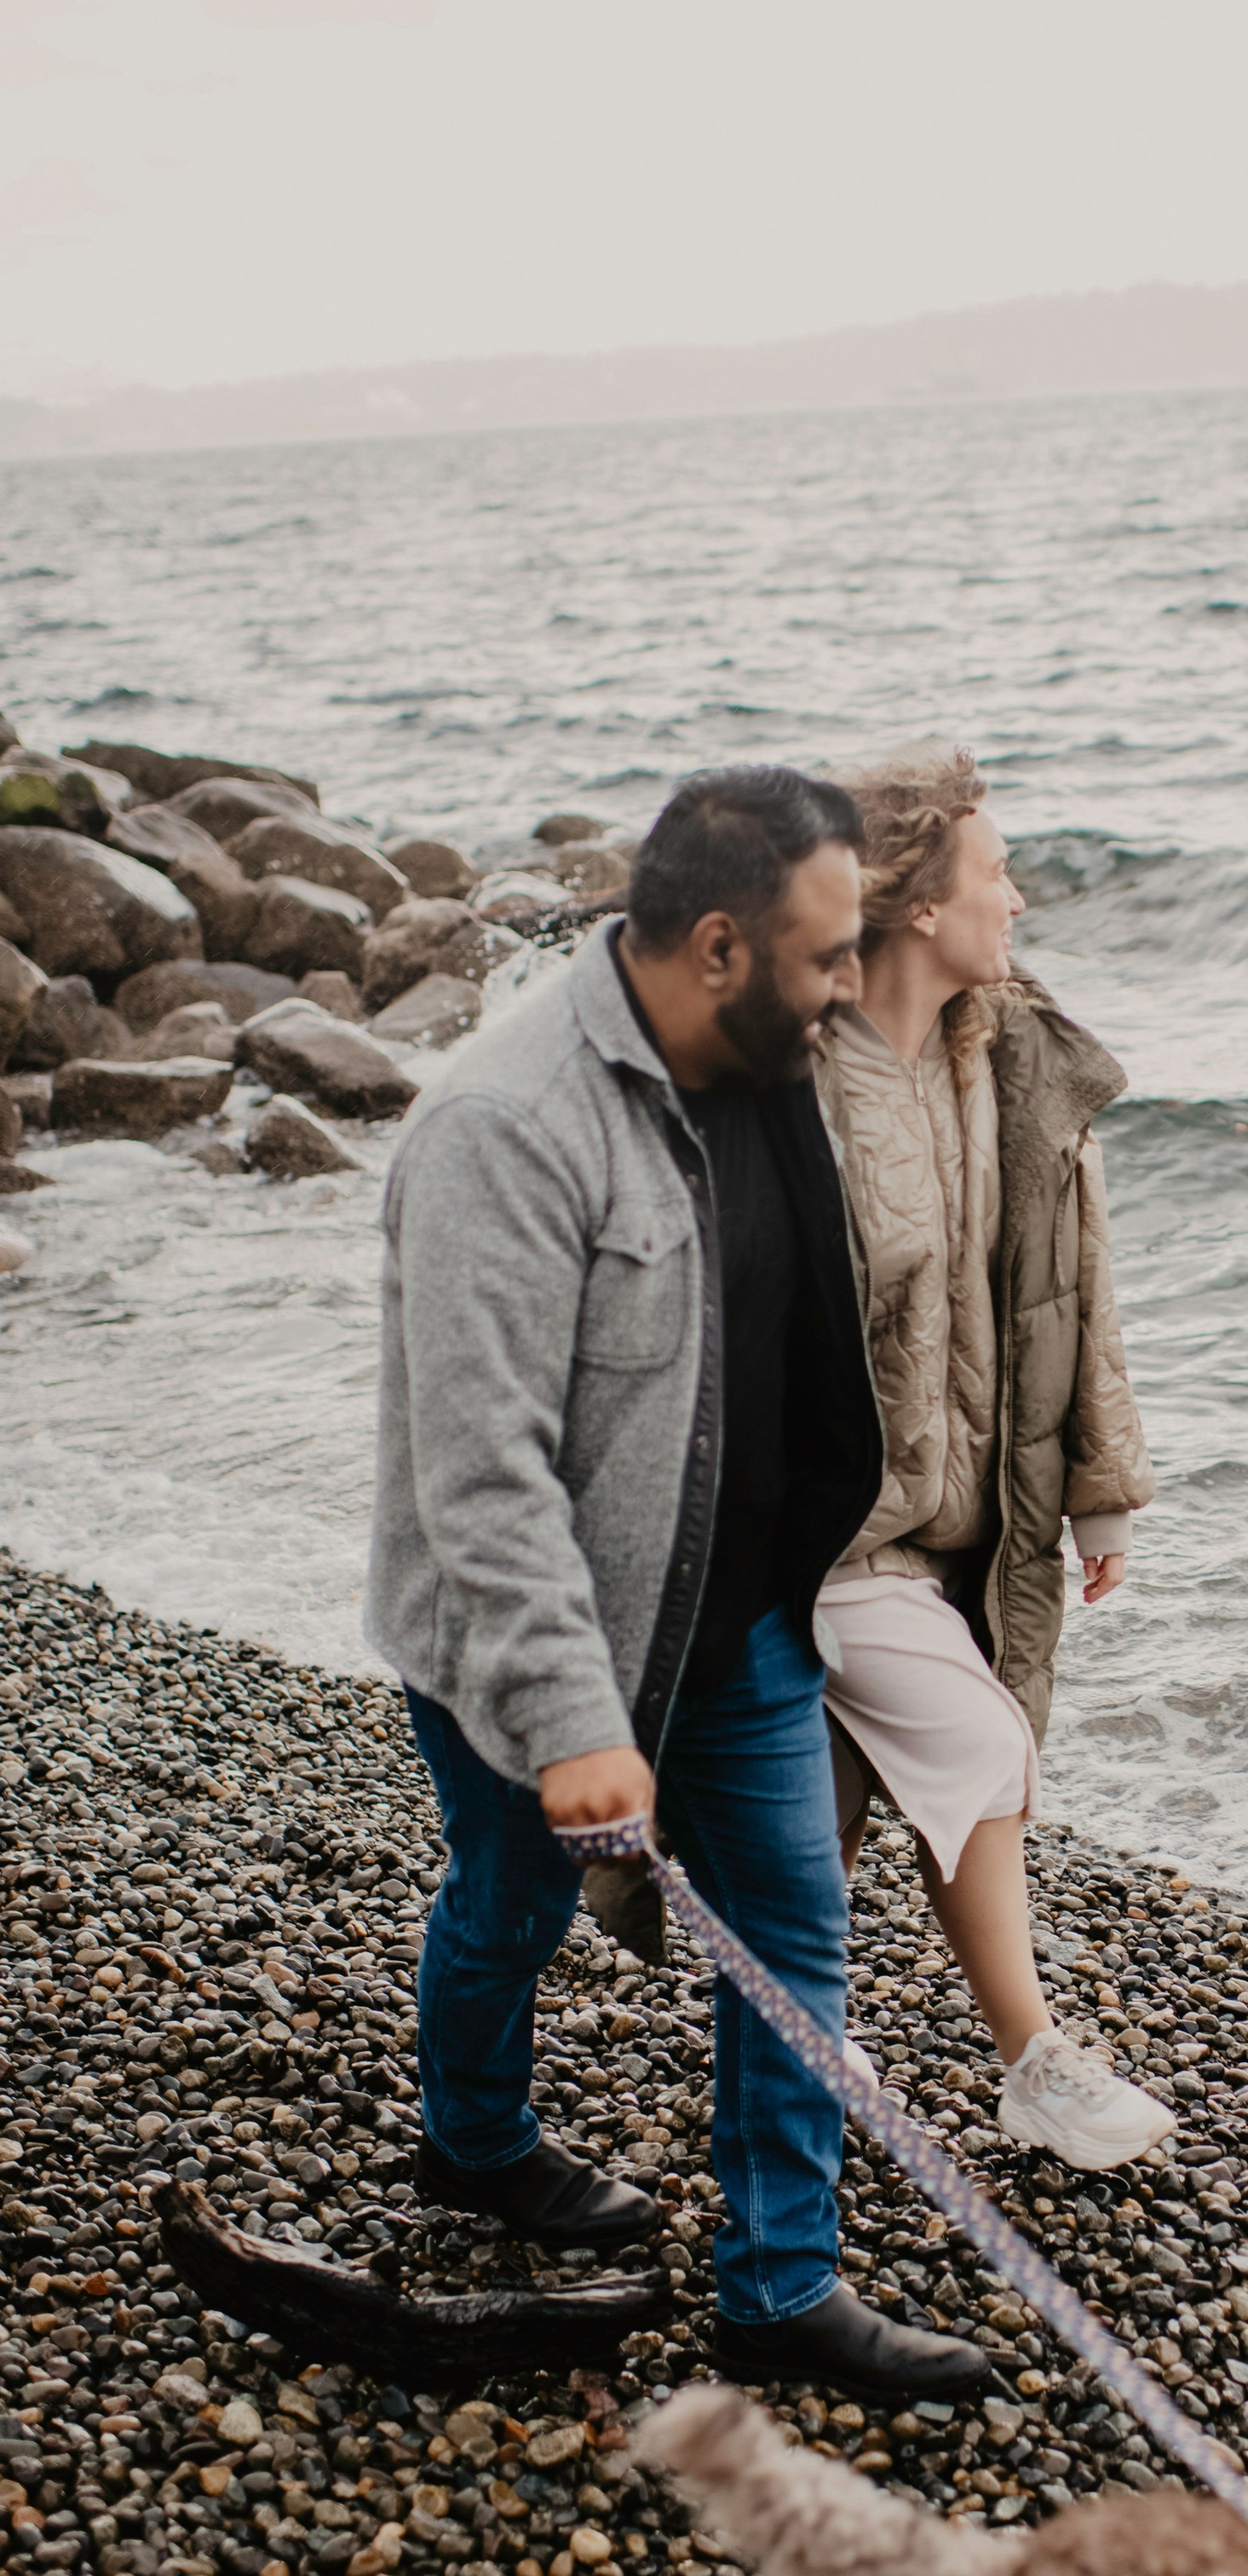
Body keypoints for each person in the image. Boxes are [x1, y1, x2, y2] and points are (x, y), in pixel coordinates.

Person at [365, 765, 991, 2407]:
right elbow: (481, 1476)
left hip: (748, 1622)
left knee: (795, 1934)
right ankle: (476, 2142)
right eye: (828, 955)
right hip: (530, 1646)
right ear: (718, 945)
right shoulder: (505, 1127)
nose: (852, 984)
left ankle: (777, 2289)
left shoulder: (767, 1062)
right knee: (510, 1910)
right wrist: (575, 1723)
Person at [814, 742, 1171, 2170]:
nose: (1017, 900)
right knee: (977, 1744)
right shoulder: (798, 1082)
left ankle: (793, 2035)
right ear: (914, 904)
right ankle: (1030, 2059)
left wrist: (1099, 1491)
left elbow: (1078, 1283)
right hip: (822, 1529)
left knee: (824, 1807)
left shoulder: (1016, 1058)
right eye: (994, 871)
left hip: (972, 1514)